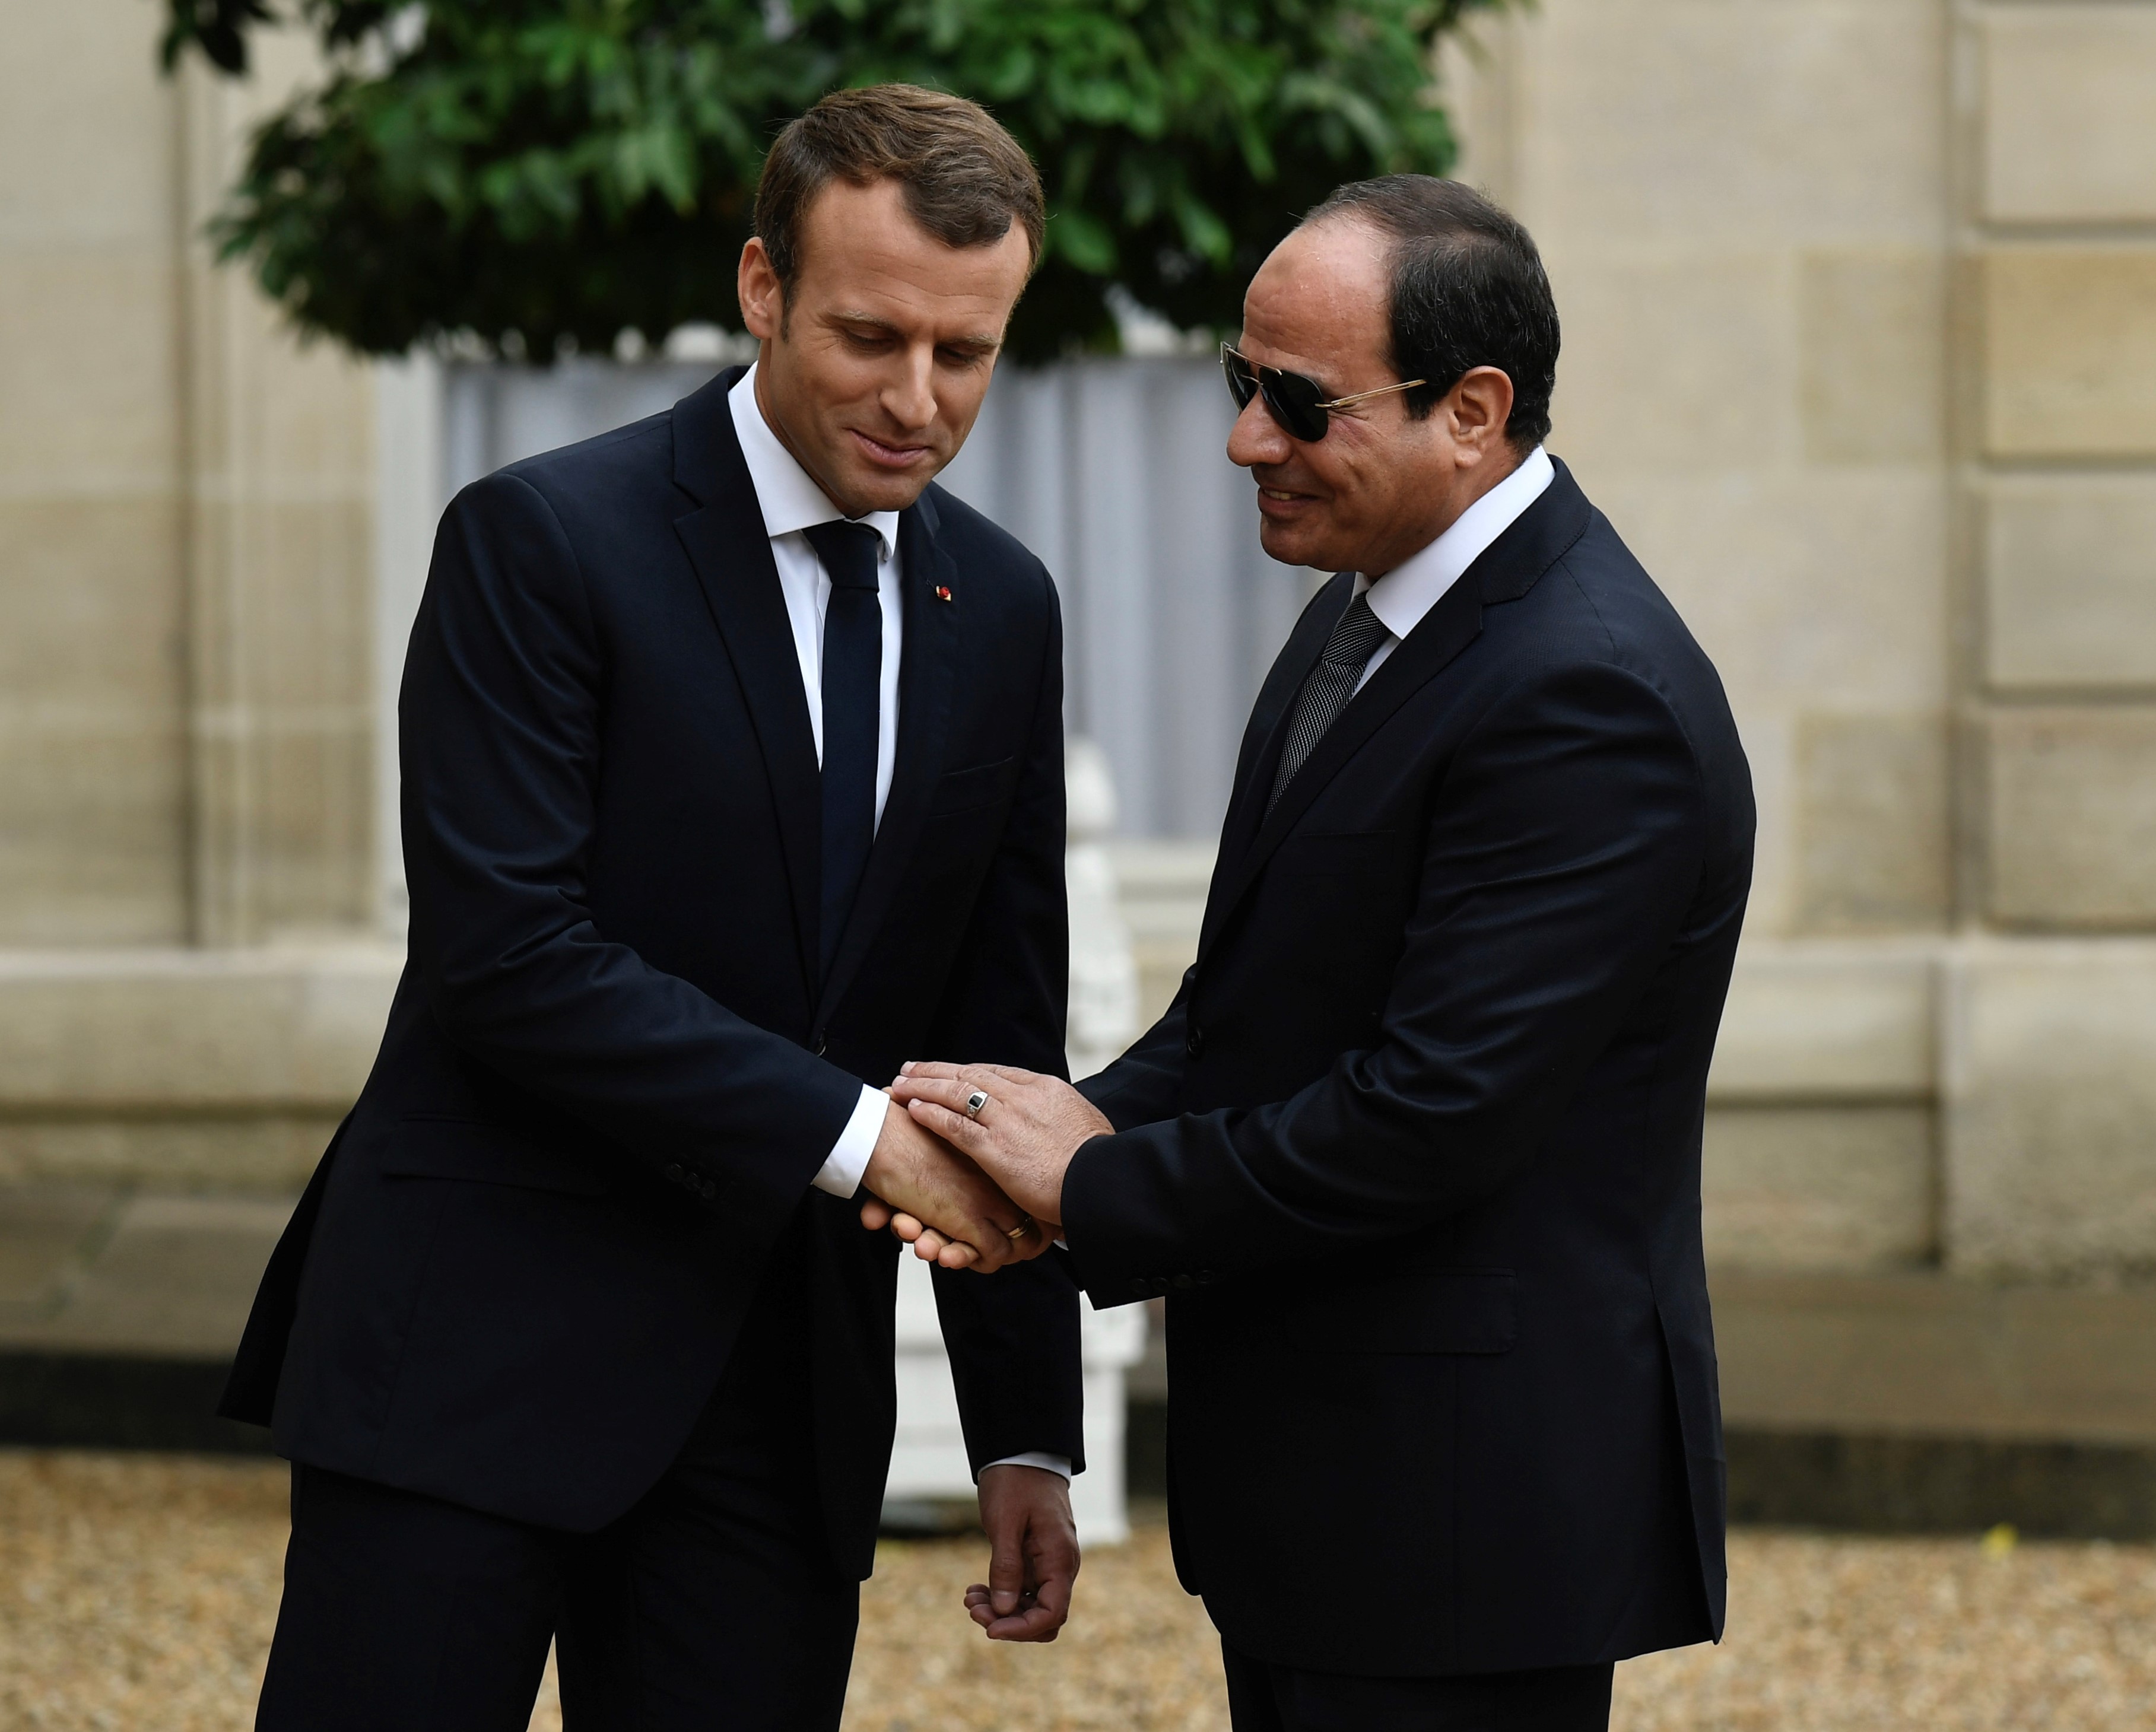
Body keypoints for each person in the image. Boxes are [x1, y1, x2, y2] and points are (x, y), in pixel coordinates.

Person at [224, 85, 1086, 1732]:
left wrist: (1021, 1429)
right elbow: (511, 959)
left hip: (783, 1406)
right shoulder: (543, 540)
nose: (919, 401)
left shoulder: (1007, 608)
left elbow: (998, 1023)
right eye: (870, 335)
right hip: (470, 1358)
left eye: (965, 355)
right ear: (761, 288)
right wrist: (861, 1141)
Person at [881, 175, 1755, 1731]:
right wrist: (1033, 1133)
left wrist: (1083, 1191)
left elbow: (1432, 1117)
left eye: (1299, 401)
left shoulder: (1585, 696)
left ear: (1472, 413)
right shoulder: (1378, 605)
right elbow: (1253, 1011)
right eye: (1240, 383)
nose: (1244, 441)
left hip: (1463, 1522)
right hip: (1336, 1490)